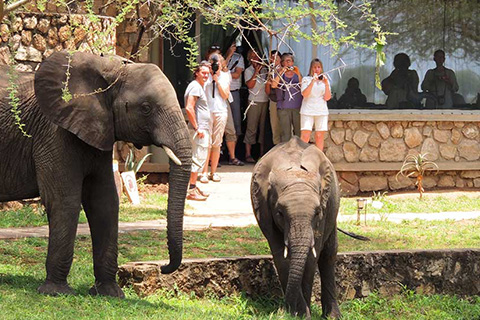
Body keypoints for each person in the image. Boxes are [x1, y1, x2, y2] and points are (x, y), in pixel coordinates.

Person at [199, 53, 231, 183]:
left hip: (220, 111)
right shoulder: (205, 76)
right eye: (213, 63)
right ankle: (204, 172)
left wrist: (217, 80)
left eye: (217, 63)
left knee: (216, 143)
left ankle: (214, 172)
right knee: (206, 143)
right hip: (207, 112)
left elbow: (225, 95)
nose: (215, 66)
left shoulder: (225, 76)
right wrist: (208, 74)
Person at [184, 61, 211, 201]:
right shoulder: (195, 87)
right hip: (198, 130)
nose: (206, 75)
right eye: (203, 72)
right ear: (196, 73)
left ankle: (193, 186)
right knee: (197, 158)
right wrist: (197, 127)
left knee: (199, 158)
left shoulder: (199, 87)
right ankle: (191, 190)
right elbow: (189, 107)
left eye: (207, 73)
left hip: (202, 128)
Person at [243, 49, 269, 163]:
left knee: (263, 129)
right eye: (252, 57)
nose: (255, 59)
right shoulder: (248, 70)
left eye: (256, 56)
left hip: (265, 101)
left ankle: (262, 154)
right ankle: (248, 154)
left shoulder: (265, 70)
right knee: (251, 127)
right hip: (253, 101)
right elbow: (250, 85)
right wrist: (255, 72)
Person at [300, 58, 331, 150]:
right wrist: (313, 81)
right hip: (307, 110)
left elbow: (327, 97)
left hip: (321, 111)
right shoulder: (306, 79)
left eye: (318, 67)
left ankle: (319, 158)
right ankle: (301, 158)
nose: (316, 69)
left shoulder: (325, 81)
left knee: (319, 136)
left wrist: (326, 84)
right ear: (311, 68)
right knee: (305, 135)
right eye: (314, 67)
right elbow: (305, 94)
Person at [271, 52, 303, 142]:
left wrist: (298, 74)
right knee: (285, 135)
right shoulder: (278, 74)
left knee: (298, 134)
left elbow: (303, 87)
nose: (288, 63)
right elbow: (273, 85)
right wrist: (281, 72)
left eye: (290, 61)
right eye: (286, 61)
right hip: (283, 108)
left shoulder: (297, 75)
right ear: (282, 63)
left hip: (297, 107)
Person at [224, 42, 245, 165]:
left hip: (234, 93)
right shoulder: (221, 57)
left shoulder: (239, 57)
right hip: (221, 95)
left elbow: (237, 74)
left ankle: (233, 155)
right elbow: (218, 71)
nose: (233, 48)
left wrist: (225, 73)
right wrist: (228, 55)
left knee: (235, 124)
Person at [265, 50, 282, 145]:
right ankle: (277, 147)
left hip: (285, 102)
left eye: (276, 57)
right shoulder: (269, 72)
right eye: (271, 58)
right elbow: (267, 91)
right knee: (275, 127)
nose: (273, 60)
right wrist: (268, 82)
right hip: (273, 101)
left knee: (285, 127)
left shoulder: (285, 70)